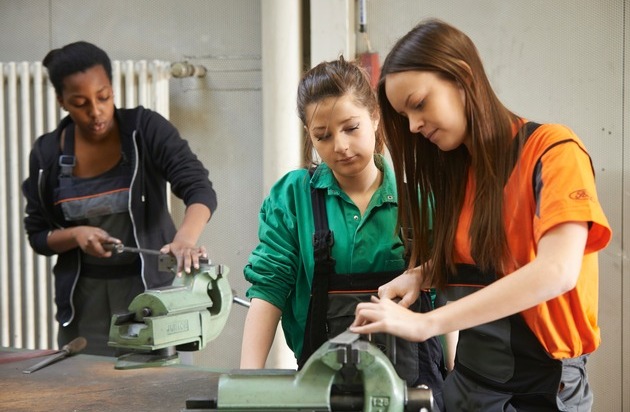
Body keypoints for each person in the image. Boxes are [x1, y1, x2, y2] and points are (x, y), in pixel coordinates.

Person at [349, 18, 612, 411]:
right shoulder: (460, 173)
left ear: (463, 77)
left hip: (539, 390)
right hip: (471, 384)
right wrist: (421, 274)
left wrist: (426, 324)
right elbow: (487, 260)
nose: (414, 125)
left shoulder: (553, 152)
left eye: (419, 104)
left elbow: (557, 271)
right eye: (405, 115)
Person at [240, 56, 446, 410]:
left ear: (376, 117)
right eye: (323, 135)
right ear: (310, 135)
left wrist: (456, 375)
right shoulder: (292, 199)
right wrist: (244, 387)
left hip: (413, 393)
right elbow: (268, 291)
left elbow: (447, 290)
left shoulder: (418, 199)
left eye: (351, 128)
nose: (340, 146)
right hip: (322, 391)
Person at [21, 41, 217, 356]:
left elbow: (198, 187)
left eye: (103, 97)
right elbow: (38, 235)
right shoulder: (47, 154)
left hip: (149, 297)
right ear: (62, 102)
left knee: (150, 393)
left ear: (113, 89)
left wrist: (185, 240)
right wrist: (76, 235)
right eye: (80, 103)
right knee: (85, 394)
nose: (96, 112)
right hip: (83, 304)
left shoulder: (145, 130)